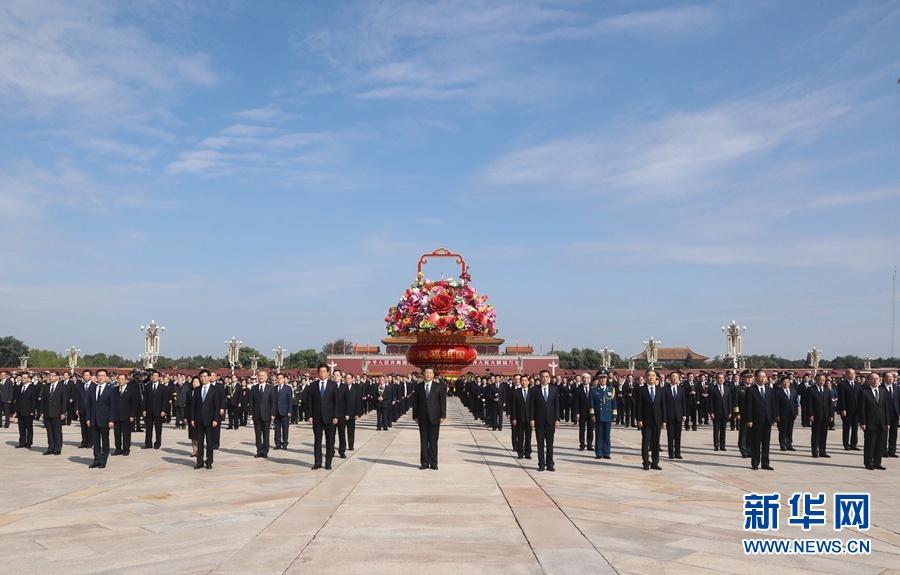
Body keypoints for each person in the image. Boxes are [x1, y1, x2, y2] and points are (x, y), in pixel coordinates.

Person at [413, 367, 446, 470]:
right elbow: (415, 403)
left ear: (433, 375)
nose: (428, 375)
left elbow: (442, 402)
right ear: (423, 374)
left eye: (430, 373)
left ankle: (434, 463)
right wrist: (415, 416)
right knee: (423, 441)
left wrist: (442, 415)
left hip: (435, 417)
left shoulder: (439, 386)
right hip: (422, 417)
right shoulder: (418, 387)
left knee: (433, 441)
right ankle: (424, 463)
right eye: (426, 373)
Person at [308, 364, 339, 470]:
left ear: (328, 373)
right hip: (316, 417)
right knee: (317, 441)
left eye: (324, 371)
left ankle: (328, 462)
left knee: (329, 441)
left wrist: (336, 416)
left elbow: (336, 402)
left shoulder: (333, 385)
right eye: (320, 371)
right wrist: (310, 415)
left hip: (329, 417)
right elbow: (309, 402)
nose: (322, 373)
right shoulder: (313, 386)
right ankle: (317, 462)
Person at [86, 369, 118, 469]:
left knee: (105, 440)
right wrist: (88, 418)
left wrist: (111, 420)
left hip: (105, 419)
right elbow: (89, 405)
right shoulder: (92, 389)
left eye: (103, 376)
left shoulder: (111, 390)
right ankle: (96, 459)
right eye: (99, 375)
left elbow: (113, 406)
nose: (100, 377)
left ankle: (103, 460)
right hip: (93, 419)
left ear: (106, 377)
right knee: (95, 441)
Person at [528, 369, 560, 472]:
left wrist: (557, 419)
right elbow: (531, 405)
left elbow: (557, 405)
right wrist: (531, 419)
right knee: (540, 443)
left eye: (547, 376)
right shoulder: (534, 390)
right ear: (540, 378)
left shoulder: (554, 389)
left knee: (550, 443)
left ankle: (550, 463)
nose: (545, 378)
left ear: (549, 378)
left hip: (551, 420)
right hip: (539, 420)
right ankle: (541, 464)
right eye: (543, 376)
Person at [635, 369, 666, 470]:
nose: (651, 377)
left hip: (657, 420)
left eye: (653, 375)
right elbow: (638, 406)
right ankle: (646, 462)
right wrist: (639, 419)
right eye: (649, 375)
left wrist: (664, 420)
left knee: (656, 442)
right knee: (645, 442)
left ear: (656, 378)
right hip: (645, 420)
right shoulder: (641, 390)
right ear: (645, 377)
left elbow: (663, 406)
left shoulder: (660, 390)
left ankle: (655, 462)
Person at [745, 369, 775, 470]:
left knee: (766, 443)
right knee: (756, 442)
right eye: (760, 377)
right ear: (756, 378)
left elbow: (773, 405)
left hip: (767, 420)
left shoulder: (770, 390)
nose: (762, 379)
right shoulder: (751, 390)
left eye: (764, 377)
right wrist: (749, 419)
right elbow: (748, 406)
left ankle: (765, 463)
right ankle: (755, 462)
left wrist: (773, 418)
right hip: (756, 420)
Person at [191, 369, 221, 469]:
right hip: (199, 419)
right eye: (201, 377)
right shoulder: (197, 389)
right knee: (200, 442)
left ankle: (209, 461)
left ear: (209, 377)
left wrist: (216, 419)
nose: (203, 378)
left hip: (210, 420)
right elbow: (193, 406)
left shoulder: (215, 390)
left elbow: (217, 406)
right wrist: (192, 419)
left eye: (205, 376)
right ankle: (199, 461)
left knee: (209, 442)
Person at [859, 372, 889, 470]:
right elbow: (862, 408)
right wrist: (863, 422)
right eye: (873, 379)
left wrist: (887, 422)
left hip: (881, 422)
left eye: (877, 378)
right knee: (870, 443)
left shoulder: (883, 391)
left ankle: (877, 462)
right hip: (869, 422)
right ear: (868, 380)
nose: (875, 380)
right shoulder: (864, 392)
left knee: (880, 443)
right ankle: (868, 462)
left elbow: (886, 408)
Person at [39, 370, 69, 455]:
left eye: (52, 375)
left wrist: (63, 412)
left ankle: (57, 448)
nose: (50, 377)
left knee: (57, 431)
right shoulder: (46, 387)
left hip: (57, 412)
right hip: (47, 412)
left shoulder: (62, 387)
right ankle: (50, 448)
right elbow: (43, 401)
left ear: (57, 377)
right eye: (49, 376)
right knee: (49, 431)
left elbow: (64, 400)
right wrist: (41, 412)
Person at [803, 372, 833, 458]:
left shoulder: (827, 390)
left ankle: (822, 451)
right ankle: (814, 451)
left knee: (824, 434)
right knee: (816, 433)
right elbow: (808, 404)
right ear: (816, 380)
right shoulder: (811, 390)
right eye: (820, 380)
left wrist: (831, 415)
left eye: (823, 380)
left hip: (825, 415)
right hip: (816, 415)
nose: (821, 382)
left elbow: (830, 404)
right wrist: (810, 414)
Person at [589, 370, 616, 459]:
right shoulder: (594, 390)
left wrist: (614, 415)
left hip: (608, 415)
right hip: (598, 415)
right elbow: (591, 403)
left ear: (607, 378)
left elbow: (614, 404)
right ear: (598, 379)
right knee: (599, 434)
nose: (602, 380)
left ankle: (606, 452)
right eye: (601, 378)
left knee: (607, 435)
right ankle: (599, 452)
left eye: (604, 378)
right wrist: (592, 415)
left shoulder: (611, 390)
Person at [251, 370, 277, 458]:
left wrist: (273, 413)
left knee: (266, 433)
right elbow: (251, 401)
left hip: (267, 414)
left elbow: (273, 402)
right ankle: (259, 450)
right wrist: (251, 413)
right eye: (259, 376)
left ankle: (265, 450)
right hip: (256, 414)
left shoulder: (270, 388)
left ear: (266, 377)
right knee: (258, 434)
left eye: (262, 376)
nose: (261, 377)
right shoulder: (254, 388)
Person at [664, 372, 688, 459]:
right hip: (669, 415)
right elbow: (663, 403)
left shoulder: (681, 389)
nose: (674, 378)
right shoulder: (665, 389)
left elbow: (683, 403)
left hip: (679, 415)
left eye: (676, 377)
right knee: (670, 435)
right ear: (670, 378)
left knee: (678, 435)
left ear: (679, 379)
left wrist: (684, 414)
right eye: (673, 377)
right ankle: (671, 453)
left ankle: (678, 453)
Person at [142, 370, 168, 450]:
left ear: (159, 377)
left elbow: (165, 400)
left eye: (156, 376)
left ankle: (157, 443)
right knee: (148, 428)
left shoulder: (163, 387)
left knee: (158, 428)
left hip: (158, 411)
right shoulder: (147, 386)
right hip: (149, 410)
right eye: (153, 376)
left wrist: (163, 410)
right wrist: (144, 410)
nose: (154, 377)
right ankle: (148, 443)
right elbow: (145, 399)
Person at [509, 375, 533, 459]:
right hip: (519, 418)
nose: (524, 382)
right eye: (522, 380)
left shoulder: (532, 392)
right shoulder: (516, 392)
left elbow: (534, 406)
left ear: (528, 382)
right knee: (520, 436)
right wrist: (514, 418)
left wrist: (533, 418)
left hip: (529, 418)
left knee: (528, 436)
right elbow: (513, 406)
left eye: (525, 381)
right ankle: (520, 452)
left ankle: (528, 452)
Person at [837, 369, 861, 451]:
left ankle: (853, 444)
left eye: (853, 373)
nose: (852, 375)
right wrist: (843, 408)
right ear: (846, 375)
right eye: (850, 374)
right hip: (847, 409)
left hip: (856, 409)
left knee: (855, 427)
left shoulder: (858, 384)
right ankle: (846, 444)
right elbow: (841, 398)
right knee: (846, 427)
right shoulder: (842, 384)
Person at [15, 372, 40, 449]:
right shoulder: (19, 387)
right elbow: (17, 400)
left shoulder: (33, 387)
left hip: (29, 411)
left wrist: (32, 410)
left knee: (29, 428)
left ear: (29, 379)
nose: (23, 379)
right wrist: (16, 411)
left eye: (25, 378)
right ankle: (22, 442)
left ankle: (29, 442)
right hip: (20, 411)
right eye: (22, 377)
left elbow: (33, 400)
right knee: (21, 428)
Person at [774, 375, 798, 451]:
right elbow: (776, 404)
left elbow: (795, 402)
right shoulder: (777, 392)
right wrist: (777, 415)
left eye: (787, 382)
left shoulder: (793, 391)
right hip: (782, 414)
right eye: (784, 382)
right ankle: (782, 444)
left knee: (790, 430)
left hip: (791, 413)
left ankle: (789, 444)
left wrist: (796, 412)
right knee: (782, 430)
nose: (786, 383)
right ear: (781, 383)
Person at [709, 372, 731, 451]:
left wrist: (730, 412)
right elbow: (710, 402)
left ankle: (722, 445)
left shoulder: (727, 388)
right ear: (716, 379)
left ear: (724, 379)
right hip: (716, 412)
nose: (721, 379)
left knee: (723, 429)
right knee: (716, 429)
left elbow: (729, 401)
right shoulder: (712, 389)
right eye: (719, 378)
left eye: (722, 378)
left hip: (725, 411)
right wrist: (711, 412)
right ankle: (716, 445)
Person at [573, 373, 593, 452]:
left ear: (589, 379)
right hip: (581, 412)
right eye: (584, 378)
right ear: (582, 379)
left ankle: (589, 444)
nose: (585, 380)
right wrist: (577, 412)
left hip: (591, 412)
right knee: (582, 429)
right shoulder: (578, 389)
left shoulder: (593, 389)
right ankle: (582, 444)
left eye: (587, 378)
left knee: (590, 429)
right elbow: (576, 402)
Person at [273, 373, 293, 451]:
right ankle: (278, 443)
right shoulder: (274, 388)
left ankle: (285, 443)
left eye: (280, 378)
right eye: (278, 378)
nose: (279, 379)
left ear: (284, 379)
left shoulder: (288, 388)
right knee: (277, 428)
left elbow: (290, 401)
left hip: (285, 411)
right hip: (276, 411)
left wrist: (290, 411)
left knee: (285, 428)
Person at [345, 373, 363, 451]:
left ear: (352, 379)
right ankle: (342, 445)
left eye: (349, 378)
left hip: (352, 413)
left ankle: (351, 445)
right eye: (346, 378)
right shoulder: (342, 388)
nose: (347, 380)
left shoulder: (356, 389)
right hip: (343, 413)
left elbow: (358, 402)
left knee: (351, 431)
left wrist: (358, 413)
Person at [884, 371, 899, 458]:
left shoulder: (896, 387)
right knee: (884, 434)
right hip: (885, 414)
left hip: (895, 413)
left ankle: (892, 451)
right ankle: (883, 451)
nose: (890, 379)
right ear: (884, 379)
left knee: (894, 434)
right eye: (888, 377)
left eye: (892, 377)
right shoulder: (881, 388)